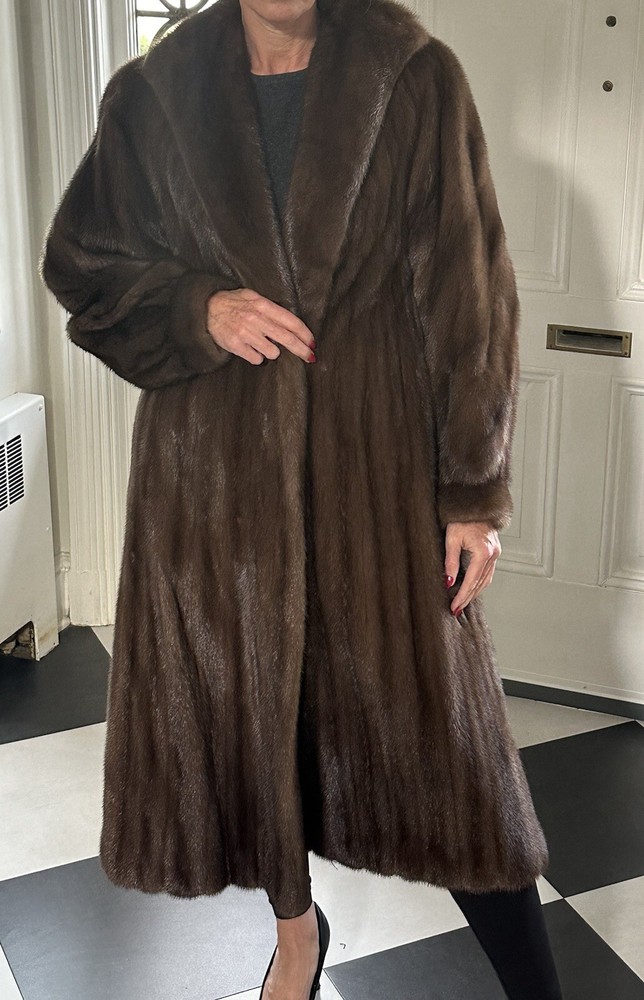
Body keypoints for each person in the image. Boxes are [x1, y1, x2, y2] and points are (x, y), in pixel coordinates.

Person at [40, 0, 564, 997]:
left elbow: (470, 295)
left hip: (376, 479)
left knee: (455, 769)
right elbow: (83, 264)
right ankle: (295, 936)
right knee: (253, 735)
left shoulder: (412, 76)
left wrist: (469, 492)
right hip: (215, 489)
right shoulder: (155, 93)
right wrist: (197, 307)